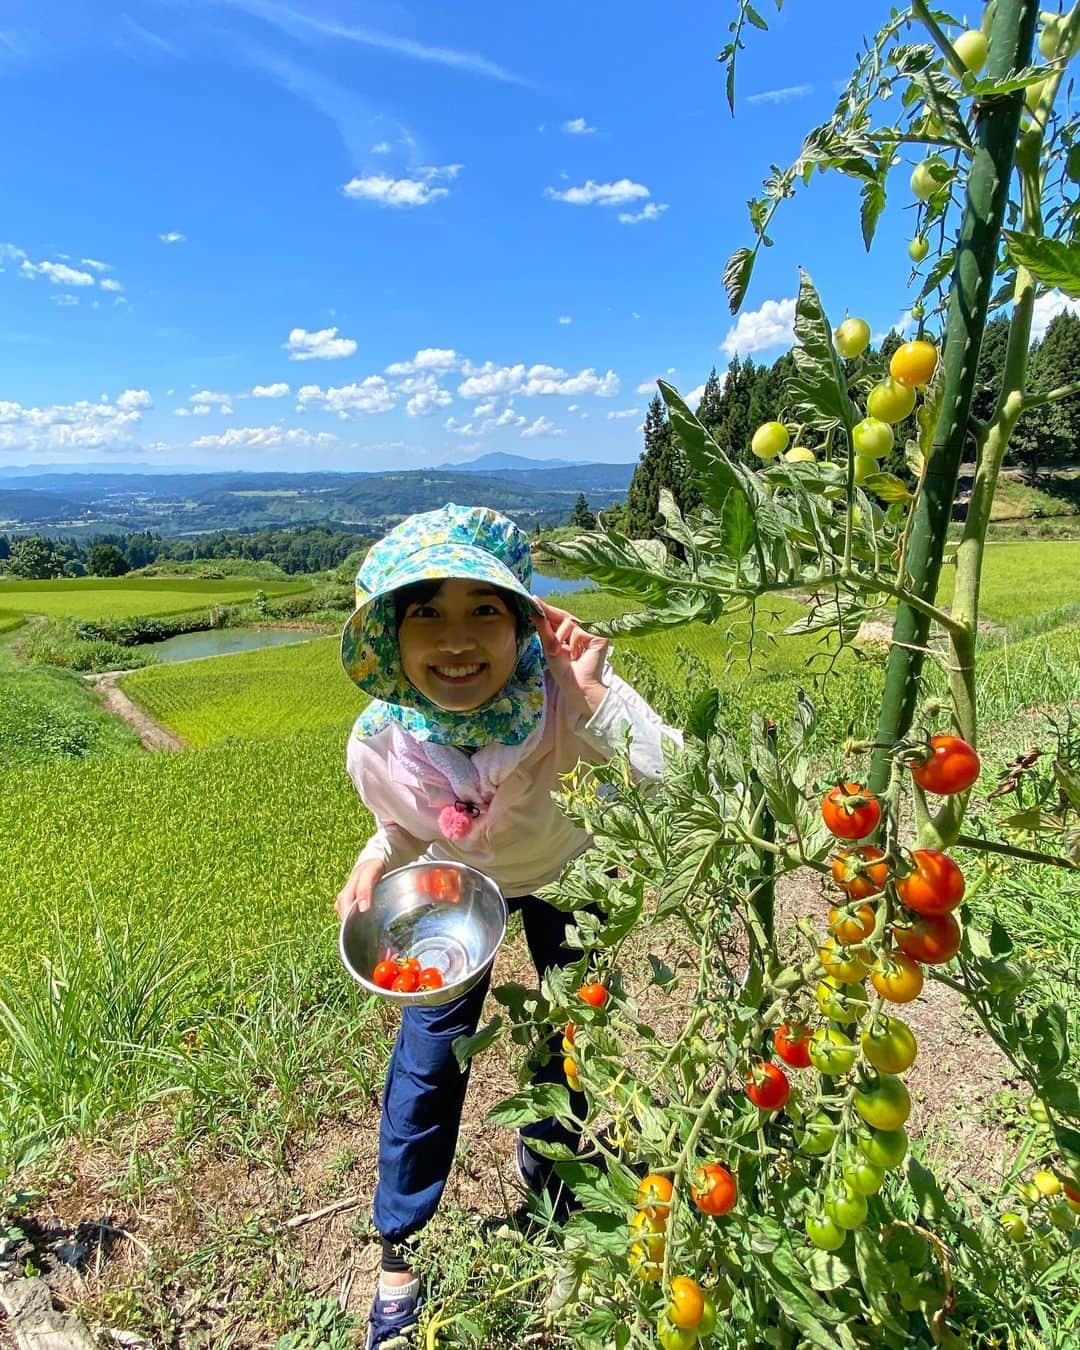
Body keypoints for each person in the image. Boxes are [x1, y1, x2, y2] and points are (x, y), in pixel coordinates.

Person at [334, 503, 680, 1349]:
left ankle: (554, 1162)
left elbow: (677, 778)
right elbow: (404, 828)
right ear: (390, 636)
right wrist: (376, 856)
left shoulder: (564, 694)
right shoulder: (381, 745)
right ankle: (397, 1244)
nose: (457, 640)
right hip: (459, 895)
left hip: (569, 872)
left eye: (484, 610)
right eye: (427, 612)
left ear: (522, 621)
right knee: (429, 1054)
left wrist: (596, 698)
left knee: (573, 1029)